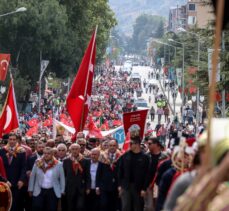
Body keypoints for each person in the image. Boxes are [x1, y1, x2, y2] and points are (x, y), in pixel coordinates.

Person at [118, 135, 150, 211]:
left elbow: (147, 174)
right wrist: (120, 185)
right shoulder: (125, 156)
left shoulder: (145, 157)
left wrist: (144, 188)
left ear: (137, 144)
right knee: (125, 207)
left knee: (138, 207)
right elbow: (120, 171)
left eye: (131, 143)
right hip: (126, 186)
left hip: (139, 187)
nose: (130, 145)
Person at [28, 147, 65, 211]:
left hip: (52, 191)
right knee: (37, 207)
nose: (46, 155)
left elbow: (62, 178)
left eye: (48, 153)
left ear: (52, 154)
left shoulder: (58, 164)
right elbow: (32, 176)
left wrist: (62, 190)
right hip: (39, 190)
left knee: (51, 208)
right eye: (45, 153)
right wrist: (30, 189)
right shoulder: (38, 162)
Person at [0, 132, 27, 211]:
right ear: (8, 140)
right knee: (6, 203)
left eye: (14, 139)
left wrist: (22, 180)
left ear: (17, 141)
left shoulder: (21, 151)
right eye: (10, 139)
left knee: (17, 204)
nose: (12, 141)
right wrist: (3, 180)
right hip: (5, 181)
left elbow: (24, 167)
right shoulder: (2, 151)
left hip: (17, 181)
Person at [63, 143, 91, 211]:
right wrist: (63, 188)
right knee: (70, 206)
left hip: (81, 187)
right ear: (70, 150)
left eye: (76, 149)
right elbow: (64, 176)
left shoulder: (86, 160)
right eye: (73, 149)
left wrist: (88, 187)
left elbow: (88, 175)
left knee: (80, 206)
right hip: (69, 187)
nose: (75, 151)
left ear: (79, 150)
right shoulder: (66, 161)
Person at [97, 139, 122, 211]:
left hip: (116, 186)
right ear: (108, 146)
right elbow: (99, 172)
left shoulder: (120, 157)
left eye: (114, 145)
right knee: (104, 205)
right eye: (110, 145)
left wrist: (121, 185)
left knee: (114, 206)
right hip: (104, 186)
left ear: (117, 146)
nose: (112, 147)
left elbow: (122, 172)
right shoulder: (102, 156)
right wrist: (97, 186)